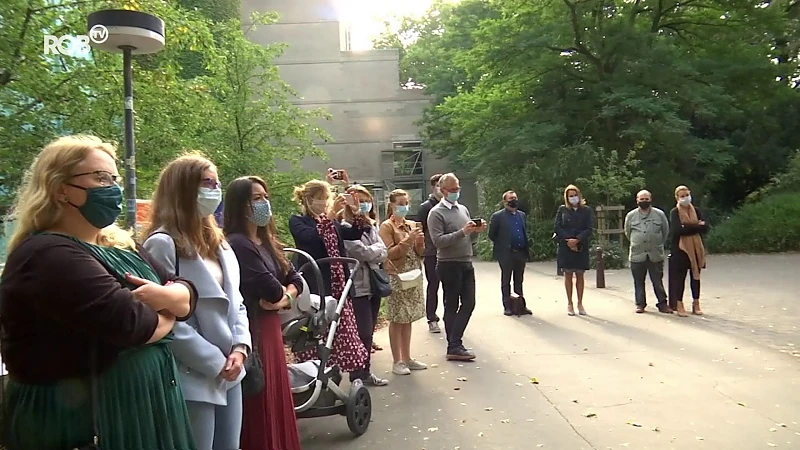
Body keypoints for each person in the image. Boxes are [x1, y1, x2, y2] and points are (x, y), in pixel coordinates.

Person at [0, 134, 197, 450]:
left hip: (144, 407)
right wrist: (170, 312)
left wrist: (172, 301)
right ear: (60, 187)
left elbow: (186, 291)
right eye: (99, 177)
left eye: (114, 178)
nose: (113, 188)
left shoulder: (121, 244)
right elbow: (128, 323)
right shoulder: (48, 253)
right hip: (86, 420)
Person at [142, 155, 250, 450]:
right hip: (191, 373)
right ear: (182, 188)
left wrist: (240, 349)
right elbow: (165, 317)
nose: (215, 189)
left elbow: (236, 302)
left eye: (217, 182)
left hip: (231, 370)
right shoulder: (162, 243)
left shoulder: (221, 243)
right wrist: (214, 361)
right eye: (207, 182)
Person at [223, 176, 303, 450]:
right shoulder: (239, 243)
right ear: (240, 204)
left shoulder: (267, 241)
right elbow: (271, 289)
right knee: (261, 402)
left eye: (265, 196)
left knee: (276, 398)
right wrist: (282, 295)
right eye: (257, 198)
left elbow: (296, 279)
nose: (264, 203)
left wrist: (285, 298)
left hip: (271, 329)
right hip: (255, 333)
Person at [288, 179, 370, 382]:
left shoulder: (331, 221)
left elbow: (355, 232)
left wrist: (356, 212)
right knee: (316, 329)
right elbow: (311, 239)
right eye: (320, 199)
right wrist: (331, 215)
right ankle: (315, 372)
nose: (324, 203)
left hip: (338, 282)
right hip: (316, 282)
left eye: (327, 199)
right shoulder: (298, 221)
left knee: (341, 328)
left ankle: (347, 371)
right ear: (308, 200)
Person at [427, 173, 485, 361]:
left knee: (469, 302)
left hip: (466, 261)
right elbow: (438, 241)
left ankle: (455, 342)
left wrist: (475, 232)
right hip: (448, 263)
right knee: (451, 304)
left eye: (458, 188)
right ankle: (454, 345)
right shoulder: (436, 213)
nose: (456, 192)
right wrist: (462, 232)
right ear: (442, 191)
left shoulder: (463, 209)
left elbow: (468, 238)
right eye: (452, 190)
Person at [342, 184, 390, 385]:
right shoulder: (345, 227)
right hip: (358, 285)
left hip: (373, 283)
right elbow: (360, 252)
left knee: (369, 333)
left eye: (366, 200)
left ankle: (366, 372)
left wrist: (374, 251)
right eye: (358, 201)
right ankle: (357, 375)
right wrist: (375, 251)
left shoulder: (372, 225)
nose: (363, 204)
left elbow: (383, 249)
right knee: (361, 331)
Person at [379, 189, 428, 375]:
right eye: (400, 203)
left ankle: (407, 357)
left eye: (406, 203)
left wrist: (420, 242)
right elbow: (389, 253)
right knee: (397, 318)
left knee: (408, 318)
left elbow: (420, 253)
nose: (404, 207)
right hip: (397, 276)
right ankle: (397, 361)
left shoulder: (410, 225)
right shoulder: (386, 226)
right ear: (391, 204)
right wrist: (408, 240)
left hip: (413, 274)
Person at [624, 190, 671, 314]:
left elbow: (665, 232)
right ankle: (640, 304)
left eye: (646, 199)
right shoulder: (631, 216)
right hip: (637, 254)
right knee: (638, 281)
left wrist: (657, 243)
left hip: (655, 254)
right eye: (641, 199)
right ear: (637, 200)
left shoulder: (659, 214)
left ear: (650, 199)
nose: (644, 201)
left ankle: (662, 304)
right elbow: (628, 233)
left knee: (657, 281)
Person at [668, 185, 709, 317]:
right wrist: (697, 225)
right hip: (681, 249)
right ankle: (679, 304)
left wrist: (688, 226)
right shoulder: (675, 212)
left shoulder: (696, 210)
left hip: (696, 247)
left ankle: (696, 303)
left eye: (687, 195)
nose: (685, 198)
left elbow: (706, 227)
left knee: (696, 276)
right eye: (682, 196)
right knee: (680, 278)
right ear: (677, 198)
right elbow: (678, 230)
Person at [488, 190, 531, 316]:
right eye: (511, 198)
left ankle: (520, 306)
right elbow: (492, 235)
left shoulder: (522, 215)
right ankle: (507, 306)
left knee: (519, 280)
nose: (514, 200)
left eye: (515, 197)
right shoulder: (498, 216)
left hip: (520, 252)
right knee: (506, 280)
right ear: (505, 201)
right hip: (506, 253)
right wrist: (503, 245)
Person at [554, 184, 593, 316]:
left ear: (579, 195)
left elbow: (589, 228)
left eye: (575, 195)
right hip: (566, 246)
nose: (573, 198)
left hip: (581, 246)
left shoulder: (586, 210)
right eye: (570, 196)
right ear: (567, 197)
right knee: (568, 275)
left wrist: (577, 239)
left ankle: (580, 303)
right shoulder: (562, 210)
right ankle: (570, 303)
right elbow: (558, 227)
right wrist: (568, 240)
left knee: (580, 275)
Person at [416, 173, 444, 333]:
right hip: (432, 253)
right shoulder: (426, 207)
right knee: (433, 285)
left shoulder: (450, 205)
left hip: (447, 252)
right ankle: (431, 318)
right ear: (434, 187)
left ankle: (450, 316)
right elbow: (420, 229)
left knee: (450, 286)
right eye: (439, 185)